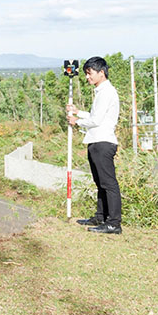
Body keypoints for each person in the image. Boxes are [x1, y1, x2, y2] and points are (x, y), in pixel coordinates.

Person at [67, 56, 122, 234]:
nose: (87, 77)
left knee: (108, 183)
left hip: (103, 141)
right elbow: (95, 115)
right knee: (100, 182)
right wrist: (78, 112)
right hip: (96, 140)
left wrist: (76, 121)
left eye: (89, 73)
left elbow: (96, 120)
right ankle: (101, 216)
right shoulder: (101, 91)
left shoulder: (107, 92)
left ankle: (113, 223)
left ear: (101, 72)